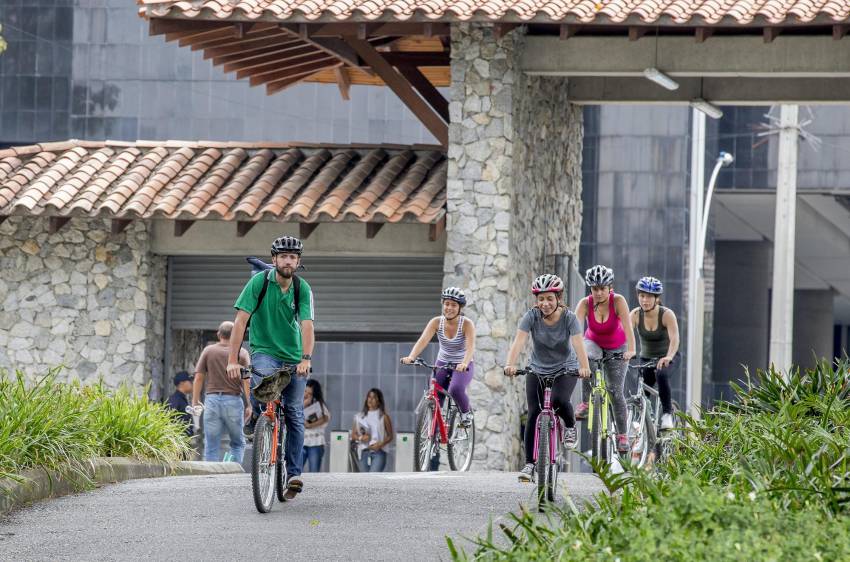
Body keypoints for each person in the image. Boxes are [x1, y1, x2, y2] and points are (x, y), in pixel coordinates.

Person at [226, 235, 315, 500]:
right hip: (265, 350)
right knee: (261, 380)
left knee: (296, 413)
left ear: (298, 262)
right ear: (274, 259)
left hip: (294, 354)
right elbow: (240, 322)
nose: (288, 261)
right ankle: (256, 418)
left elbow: (308, 325)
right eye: (283, 256)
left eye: (293, 257)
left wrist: (306, 358)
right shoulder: (258, 283)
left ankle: (294, 474)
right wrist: (233, 359)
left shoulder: (302, 288)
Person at [503, 274, 591, 483]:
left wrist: (584, 367)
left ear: (558, 298)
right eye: (541, 299)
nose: (545, 303)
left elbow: (578, 343)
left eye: (549, 298)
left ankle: (569, 427)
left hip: (565, 368)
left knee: (560, 401)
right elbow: (519, 341)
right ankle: (529, 464)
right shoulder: (531, 317)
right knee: (534, 412)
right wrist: (510, 364)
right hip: (538, 368)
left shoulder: (569, 318)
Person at [574, 265, 636, 455]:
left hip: (618, 347)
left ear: (610, 287)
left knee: (615, 391)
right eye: (595, 289)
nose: (599, 292)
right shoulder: (585, 304)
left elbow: (628, 327)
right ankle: (586, 402)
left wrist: (632, 350)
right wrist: (573, 355)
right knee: (587, 358)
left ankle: (622, 435)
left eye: (603, 288)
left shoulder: (618, 301)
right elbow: (575, 333)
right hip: (593, 342)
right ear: (590, 289)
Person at [400, 287, 476, 428]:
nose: (449, 308)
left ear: (460, 308)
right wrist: (411, 357)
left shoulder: (466, 324)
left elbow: (471, 347)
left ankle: (466, 414)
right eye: (446, 304)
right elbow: (423, 341)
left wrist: (464, 363)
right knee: (435, 395)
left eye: (453, 305)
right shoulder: (436, 322)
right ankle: (433, 439)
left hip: (462, 364)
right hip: (442, 362)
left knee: (455, 389)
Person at [192, 321, 251, 462]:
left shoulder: (208, 350)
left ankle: (211, 479)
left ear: (219, 334)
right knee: (237, 443)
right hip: (233, 400)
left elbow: (199, 377)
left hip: (212, 401)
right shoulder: (242, 353)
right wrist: (249, 404)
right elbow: (247, 380)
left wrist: (195, 400)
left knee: (211, 445)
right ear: (235, 335)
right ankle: (230, 472)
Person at [629, 276, 680, 430]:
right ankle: (643, 416)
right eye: (642, 296)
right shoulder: (635, 315)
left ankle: (667, 414)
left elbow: (675, 338)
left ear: (657, 298)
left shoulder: (666, 314)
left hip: (668, 356)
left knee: (661, 374)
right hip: (647, 358)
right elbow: (625, 335)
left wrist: (669, 356)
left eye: (649, 297)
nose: (645, 300)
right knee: (639, 385)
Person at [350, 388, 394, 472]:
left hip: (378, 452)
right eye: (369, 397)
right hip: (364, 452)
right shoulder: (359, 416)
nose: (371, 400)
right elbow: (353, 435)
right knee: (364, 479)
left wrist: (380, 444)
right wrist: (361, 438)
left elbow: (390, 436)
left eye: (374, 397)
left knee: (373, 477)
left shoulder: (383, 416)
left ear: (379, 401)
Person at [302, 380, 330, 472]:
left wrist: (310, 425)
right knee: (295, 470)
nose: (306, 395)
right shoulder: (297, 403)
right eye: (305, 391)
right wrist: (303, 405)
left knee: (314, 471)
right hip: (301, 442)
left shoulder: (319, 405)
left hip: (316, 442)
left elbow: (326, 418)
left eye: (310, 393)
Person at [167, 371, 194, 437]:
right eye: (190, 382)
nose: (192, 384)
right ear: (182, 383)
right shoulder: (175, 400)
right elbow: (170, 421)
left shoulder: (181, 399)